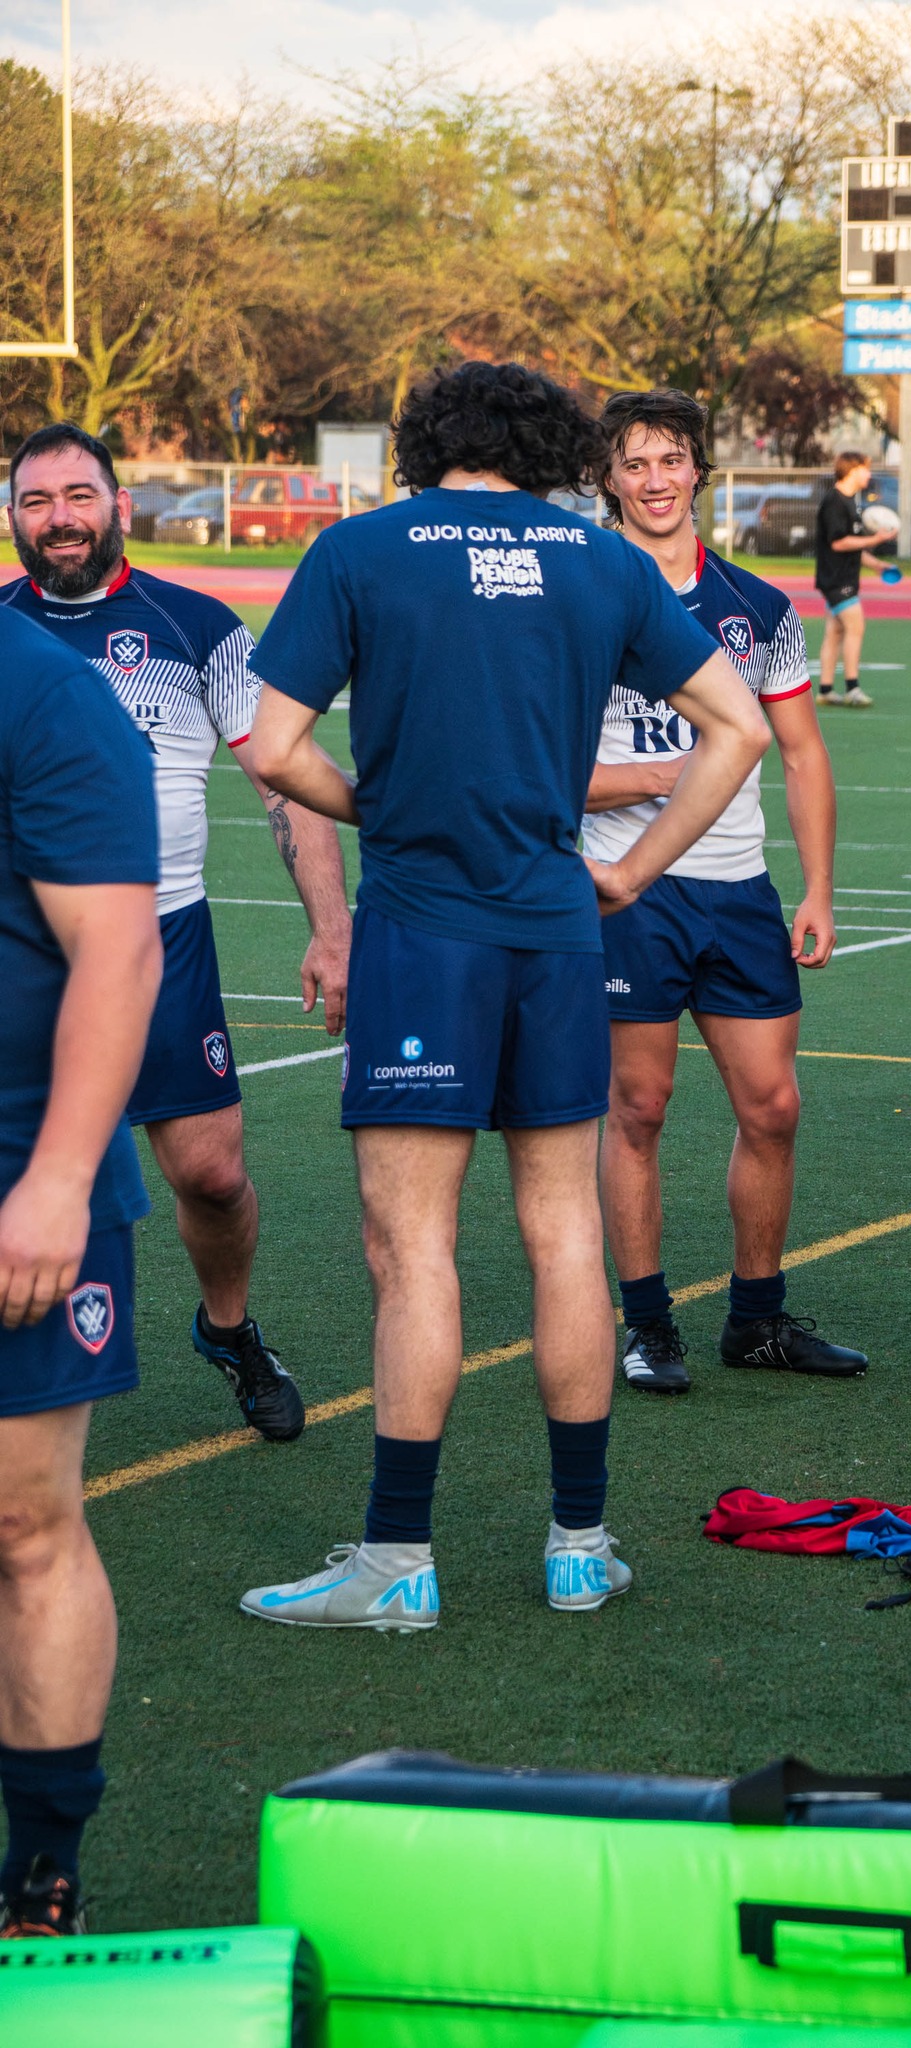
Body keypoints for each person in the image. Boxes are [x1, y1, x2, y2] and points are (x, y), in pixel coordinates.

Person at [236, 361, 768, 1626]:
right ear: (558, 450)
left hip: (426, 928)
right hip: (556, 928)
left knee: (413, 1245)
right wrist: (632, 867)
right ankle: (579, 1544)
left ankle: (396, 1559)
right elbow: (738, 729)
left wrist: (393, 811)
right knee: (565, 1231)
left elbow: (269, 745)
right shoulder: (607, 562)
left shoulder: (363, 548)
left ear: (423, 443)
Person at [2, 425, 352, 1443]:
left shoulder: (195, 625)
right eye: (35, 501)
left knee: (209, 1173)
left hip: (162, 939)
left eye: (78, 495)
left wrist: (332, 928)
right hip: (25, 955)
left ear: (118, 502)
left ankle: (229, 1329)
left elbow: (284, 779)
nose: (59, 517)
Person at [584, 388, 867, 1393]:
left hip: (737, 888)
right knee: (640, 1107)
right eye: (635, 463)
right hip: (626, 894)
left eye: (671, 460)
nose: (655, 480)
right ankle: (648, 1322)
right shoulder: (580, 595)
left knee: (774, 1105)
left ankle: (756, 1318)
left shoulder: (758, 607)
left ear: (700, 469)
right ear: (607, 480)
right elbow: (533, 763)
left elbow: (799, 752)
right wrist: (662, 778)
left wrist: (820, 887)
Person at [0, 607, 161, 1936]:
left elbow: (118, 950)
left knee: (23, 1524)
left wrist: (55, 1180)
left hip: (14, 1169)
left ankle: (41, 1875)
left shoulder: (47, 697)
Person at [814, 453, 883, 708]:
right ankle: (852, 688)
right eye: (865, 469)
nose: (868, 474)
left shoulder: (851, 502)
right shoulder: (835, 502)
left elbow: (852, 545)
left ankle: (825, 689)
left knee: (834, 632)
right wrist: (874, 540)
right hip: (836, 579)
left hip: (842, 578)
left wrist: (876, 564)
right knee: (856, 627)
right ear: (852, 470)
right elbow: (838, 542)